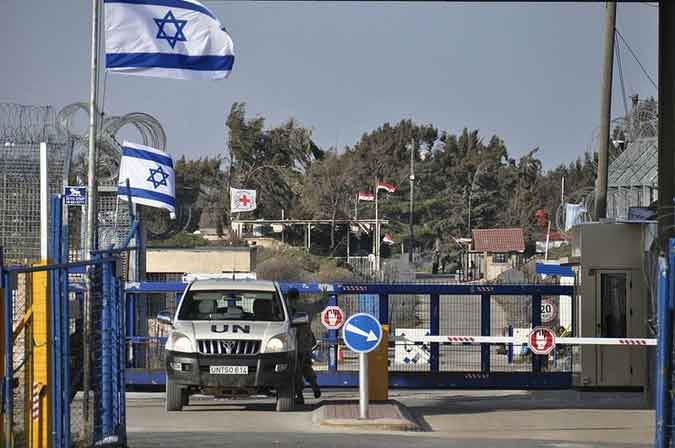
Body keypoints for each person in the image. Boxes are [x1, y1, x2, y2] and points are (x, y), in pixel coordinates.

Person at [286, 288, 321, 404]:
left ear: (288, 297)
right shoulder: (305, 308)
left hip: (294, 344)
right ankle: (314, 384)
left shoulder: (288, 308)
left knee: (296, 371)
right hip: (306, 343)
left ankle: (299, 395)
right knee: (306, 366)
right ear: (298, 296)